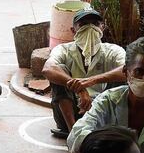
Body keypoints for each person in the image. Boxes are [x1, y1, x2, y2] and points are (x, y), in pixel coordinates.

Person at [43, 9, 126, 139]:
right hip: (71, 113)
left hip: (101, 112)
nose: (90, 28)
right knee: (59, 70)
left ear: (102, 28)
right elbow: (48, 68)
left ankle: (108, 125)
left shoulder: (113, 51)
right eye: (83, 24)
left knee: (123, 77)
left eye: (95, 24)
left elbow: (128, 70)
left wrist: (92, 81)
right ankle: (73, 133)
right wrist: (80, 89)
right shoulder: (63, 50)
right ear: (73, 30)